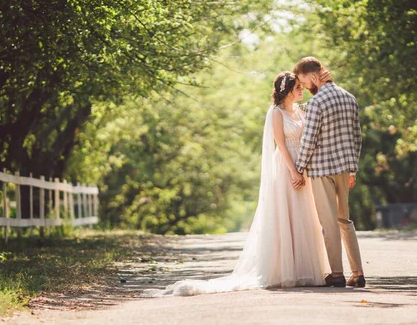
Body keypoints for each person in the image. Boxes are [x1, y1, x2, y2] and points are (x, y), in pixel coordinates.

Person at [157, 71, 331, 296]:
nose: (301, 90)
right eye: (297, 87)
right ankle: (286, 271)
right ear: (286, 91)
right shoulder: (276, 113)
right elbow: (280, 143)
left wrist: (304, 169)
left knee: (305, 215)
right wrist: (293, 171)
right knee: (287, 214)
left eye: (301, 86)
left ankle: (307, 269)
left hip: (304, 166)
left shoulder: (301, 110)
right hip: (287, 165)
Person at [293, 56, 366, 288]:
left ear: (314, 77)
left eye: (304, 83)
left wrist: (299, 168)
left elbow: (309, 140)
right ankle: (358, 272)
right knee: (345, 220)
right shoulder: (349, 98)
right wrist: (352, 168)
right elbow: (357, 137)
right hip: (345, 170)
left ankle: (336, 274)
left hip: (322, 171)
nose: (304, 87)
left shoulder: (317, 103)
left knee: (329, 223)